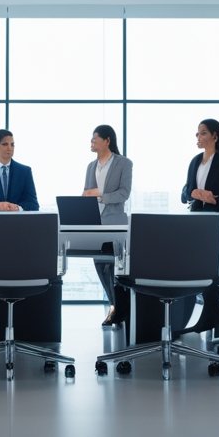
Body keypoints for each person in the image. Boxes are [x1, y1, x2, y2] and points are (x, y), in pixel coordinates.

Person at [179, 118, 219, 334]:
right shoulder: (195, 161)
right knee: (197, 267)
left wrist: (216, 199)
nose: (198, 137)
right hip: (194, 220)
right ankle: (213, 315)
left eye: (203, 133)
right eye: (197, 134)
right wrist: (193, 193)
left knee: (213, 268)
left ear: (215, 136)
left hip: (213, 221)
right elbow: (185, 192)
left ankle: (214, 318)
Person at [82, 125, 132, 327]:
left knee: (114, 267)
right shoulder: (90, 166)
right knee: (100, 265)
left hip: (115, 223)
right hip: (95, 223)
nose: (92, 142)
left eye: (95, 139)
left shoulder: (124, 163)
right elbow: (87, 192)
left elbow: (124, 193)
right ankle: (114, 305)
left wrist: (101, 196)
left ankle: (120, 308)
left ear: (107, 140)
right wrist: (86, 197)